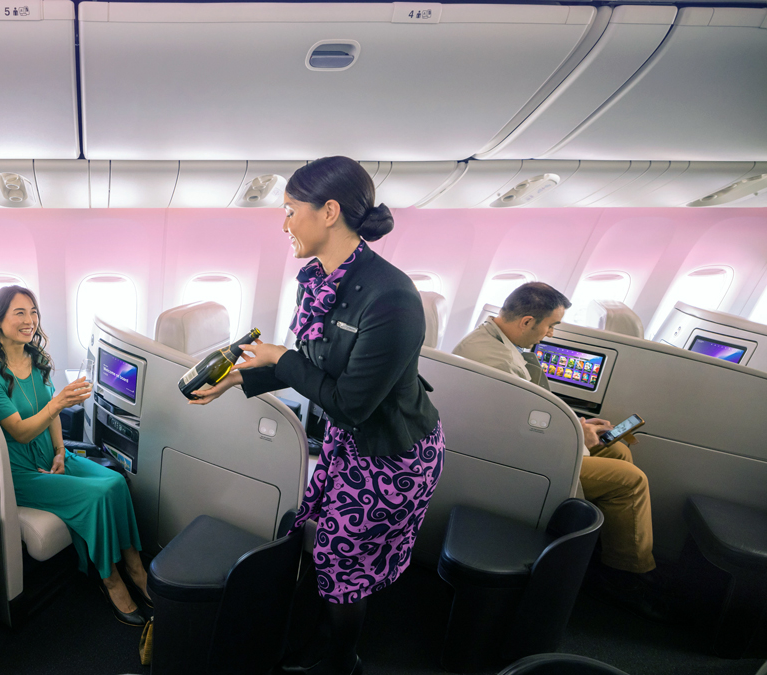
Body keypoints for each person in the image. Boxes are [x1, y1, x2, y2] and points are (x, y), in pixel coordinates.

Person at [192, 157, 444, 675]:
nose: (283, 224)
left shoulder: (392, 297)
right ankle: (316, 637)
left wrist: (278, 358)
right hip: (344, 445)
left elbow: (352, 401)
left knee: (345, 567)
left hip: (391, 456)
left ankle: (339, 661)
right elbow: (312, 365)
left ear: (329, 211)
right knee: (323, 547)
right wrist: (239, 380)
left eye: (290, 211)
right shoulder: (316, 279)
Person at [452, 282, 663, 617]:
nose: (549, 334)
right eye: (550, 326)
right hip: (516, 460)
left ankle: (603, 551)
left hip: (525, 443)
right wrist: (574, 436)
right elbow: (515, 436)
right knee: (630, 480)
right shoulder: (496, 362)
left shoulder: (496, 341)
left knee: (619, 451)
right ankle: (626, 578)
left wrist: (576, 427)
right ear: (526, 322)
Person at [0, 286, 150, 626]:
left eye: (33, 312)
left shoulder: (35, 357)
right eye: (19, 313)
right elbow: (21, 430)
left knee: (115, 482)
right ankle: (109, 579)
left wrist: (60, 452)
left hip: (49, 451)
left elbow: (52, 415)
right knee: (97, 495)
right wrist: (59, 403)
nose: (30, 321)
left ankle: (135, 567)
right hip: (18, 470)